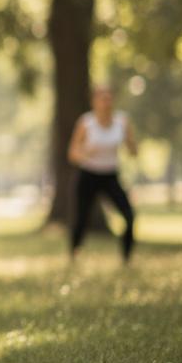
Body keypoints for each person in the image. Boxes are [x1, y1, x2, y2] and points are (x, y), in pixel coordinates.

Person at [67, 85, 139, 262]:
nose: (106, 103)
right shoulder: (86, 123)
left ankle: (126, 257)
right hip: (88, 174)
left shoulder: (122, 121)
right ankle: (74, 254)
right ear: (94, 102)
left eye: (109, 98)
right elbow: (72, 154)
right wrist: (84, 154)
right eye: (102, 99)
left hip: (110, 175)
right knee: (82, 219)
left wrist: (132, 147)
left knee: (129, 215)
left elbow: (133, 149)